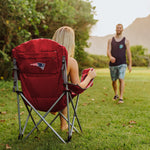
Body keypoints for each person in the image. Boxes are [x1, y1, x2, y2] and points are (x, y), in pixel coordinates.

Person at [52, 26, 96, 130]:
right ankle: (63, 123)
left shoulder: (43, 60)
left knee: (63, 89)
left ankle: (63, 124)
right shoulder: (70, 61)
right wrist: (89, 77)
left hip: (35, 100)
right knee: (65, 91)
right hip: (55, 101)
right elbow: (77, 87)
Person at [107, 24, 132, 104]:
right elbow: (108, 50)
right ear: (115, 29)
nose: (118, 29)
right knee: (114, 81)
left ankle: (121, 97)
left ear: (122, 29)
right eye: (117, 28)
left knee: (121, 78)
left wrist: (130, 64)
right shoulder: (110, 40)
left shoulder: (126, 41)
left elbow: (128, 53)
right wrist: (110, 57)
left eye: (120, 28)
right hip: (113, 64)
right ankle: (116, 94)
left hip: (122, 63)